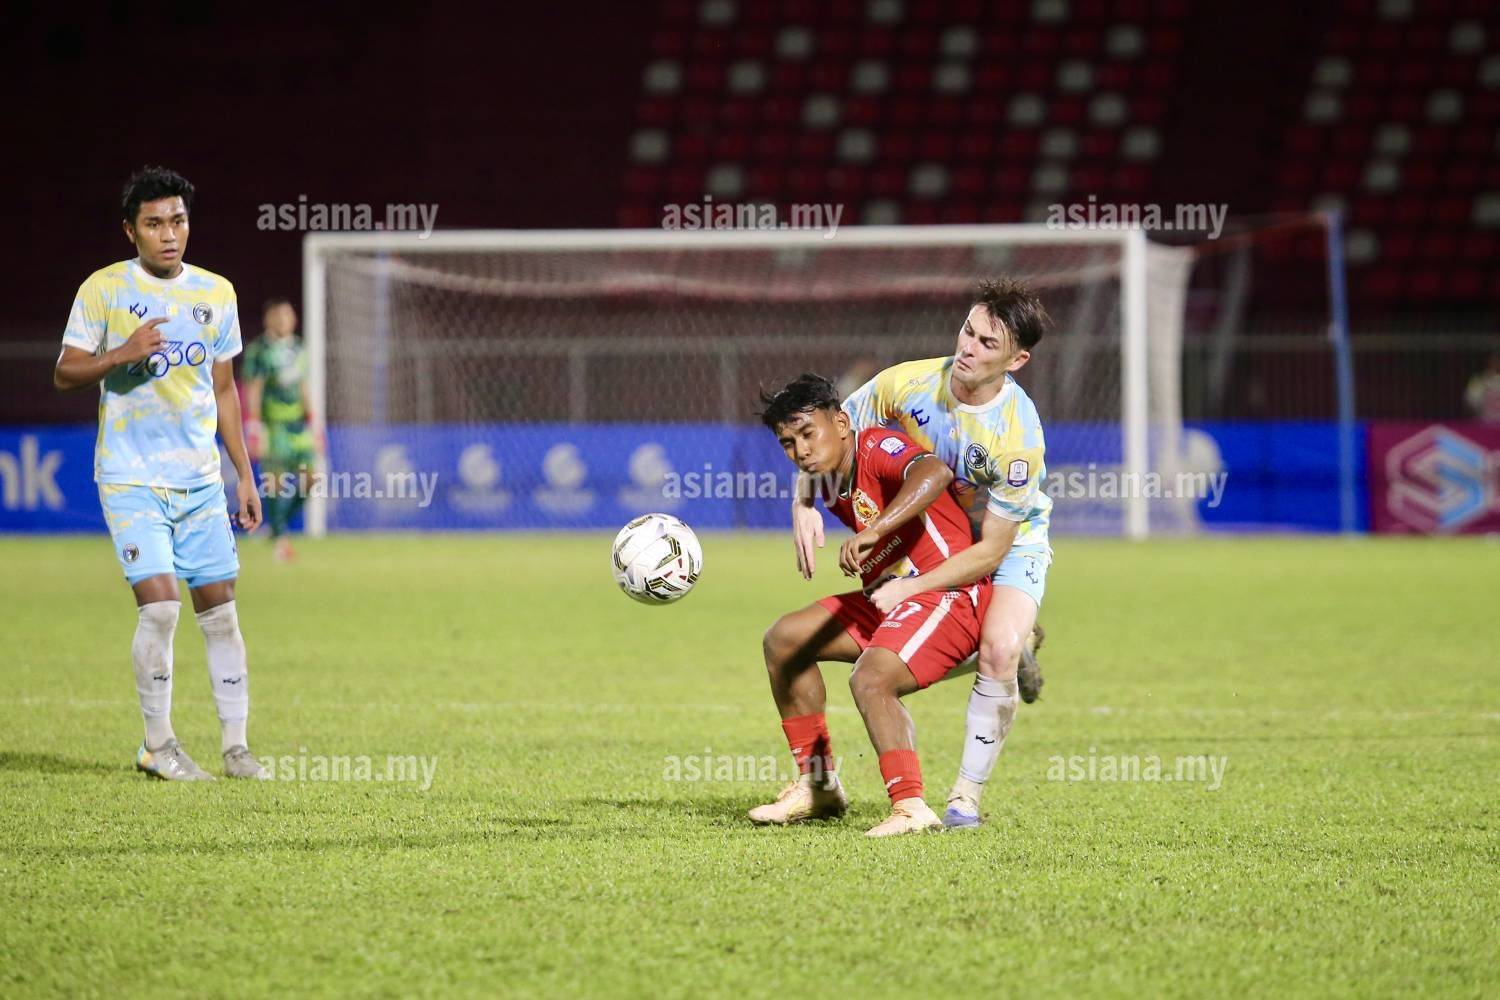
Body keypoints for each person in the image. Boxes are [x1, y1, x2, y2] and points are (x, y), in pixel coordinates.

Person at [791, 278, 1052, 828]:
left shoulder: (1018, 438)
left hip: (1006, 542)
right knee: (924, 643)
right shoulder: (907, 382)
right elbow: (827, 431)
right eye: (967, 331)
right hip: (933, 535)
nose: (967, 347)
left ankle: (964, 799)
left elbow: (992, 551)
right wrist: (803, 500)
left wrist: (911, 586)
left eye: (987, 343)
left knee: (998, 651)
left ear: (1017, 360)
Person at [53, 165, 266, 781]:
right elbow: (65, 372)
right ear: (131, 230)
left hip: (199, 481)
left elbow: (223, 391)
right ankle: (158, 746)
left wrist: (243, 474)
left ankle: (236, 748)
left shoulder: (216, 293)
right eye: (154, 223)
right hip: (130, 477)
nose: (169, 233)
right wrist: (121, 353)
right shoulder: (104, 290)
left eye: (177, 220)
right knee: (162, 609)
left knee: (220, 610)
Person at [753, 374, 993, 837]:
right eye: (788, 443)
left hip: (947, 593)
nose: (801, 450)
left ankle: (911, 806)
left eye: (808, 433)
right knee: (784, 639)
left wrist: (875, 530)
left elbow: (934, 473)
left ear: (841, 424)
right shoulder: (825, 476)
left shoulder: (876, 446)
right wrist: (802, 504)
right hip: (890, 600)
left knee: (870, 678)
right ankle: (818, 786)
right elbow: (811, 475)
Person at [242, 298, 319, 561]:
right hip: (272, 425)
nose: (286, 320)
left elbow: (304, 387)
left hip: (298, 426)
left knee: (312, 478)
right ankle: (280, 541)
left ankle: (276, 527)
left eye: (289, 315)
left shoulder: (299, 349)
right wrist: (254, 427)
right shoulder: (260, 350)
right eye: (281, 315)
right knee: (276, 483)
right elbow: (254, 388)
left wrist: (313, 422)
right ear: (269, 319)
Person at [1464, 352, 1500, 423]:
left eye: (1497, 361)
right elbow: (1471, 402)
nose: (1496, 364)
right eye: (1494, 361)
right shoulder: (1479, 380)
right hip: (1484, 422)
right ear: (1488, 362)